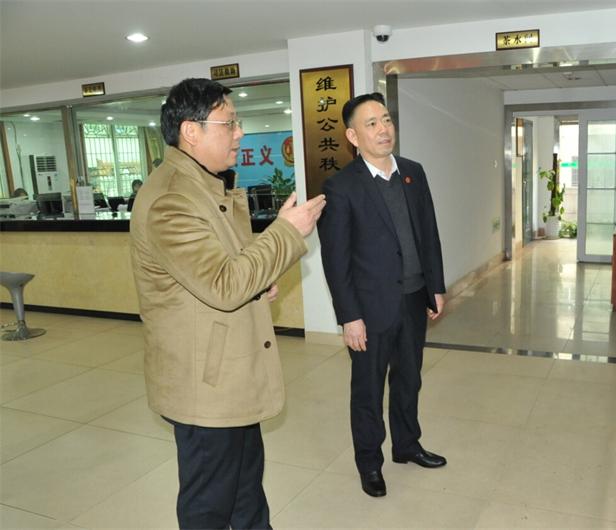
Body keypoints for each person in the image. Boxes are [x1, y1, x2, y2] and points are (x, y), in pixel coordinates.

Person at [130, 78, 325, 529]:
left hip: (231, 376)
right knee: (210, 505)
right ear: (190, 131)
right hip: (205, 384)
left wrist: (259, 282)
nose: (240, 133)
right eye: (229, 123)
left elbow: (227, 268)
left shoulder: (204, 186)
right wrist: (285, 232)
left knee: (245, 492)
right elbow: (223, 283)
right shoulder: (171, 200)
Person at [318, 92, 447, 498]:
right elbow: (335, 259)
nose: (383, 129)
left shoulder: (413, 173)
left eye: (386, 119)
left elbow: (428, 233)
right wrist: (349, 316)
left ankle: (407, 446)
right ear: (353, 136)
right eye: (371, 123)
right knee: (369, 391)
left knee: (409, 380)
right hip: (369, 309)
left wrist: (435, 286)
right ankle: (369, 463)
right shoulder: (342, 187)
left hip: (413, 298)